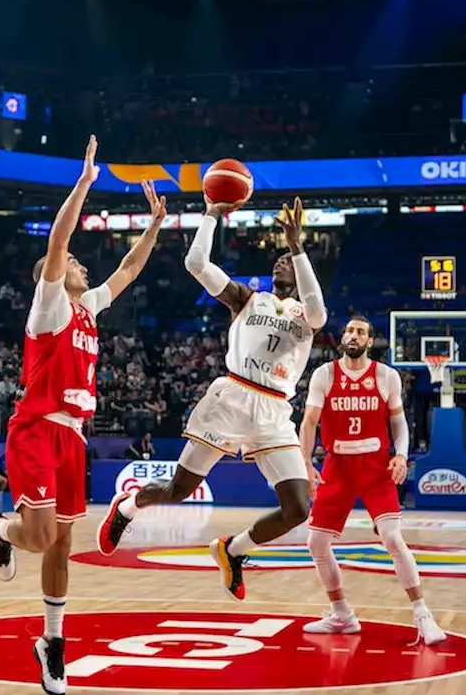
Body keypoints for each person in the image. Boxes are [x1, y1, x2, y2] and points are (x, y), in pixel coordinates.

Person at [0, 135, 167, 695]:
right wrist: (84, 183)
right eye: (74, 264)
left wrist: (155, 224)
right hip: (37, 430)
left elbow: (130, 271)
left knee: (63, 547)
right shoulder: (50, 305)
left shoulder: (88, 309)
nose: (84, 267)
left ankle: (52, 643)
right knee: (38, 538)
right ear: (55, 273)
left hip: (73, 438)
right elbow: (61, 239)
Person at [97, 195, 326, 604]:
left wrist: (297, 248)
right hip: (233, 397)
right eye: (277, 258)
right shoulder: (247, 298)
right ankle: (128, 506)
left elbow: (319, 313)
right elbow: (196, 264)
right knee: (177, 491)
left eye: (287, 260)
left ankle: (232, 551)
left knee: (298, 509)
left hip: (274, 410)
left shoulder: (306, 314)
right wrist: (210, 215)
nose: (279, 262)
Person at [298, 315, 446, 644]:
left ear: (369, 341)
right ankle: (341, 614)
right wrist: (305, 462)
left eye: (361, 332)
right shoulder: (324, 374)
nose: (354, 335)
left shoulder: (385, 375)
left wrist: (402, 455)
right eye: (350, 330)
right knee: (316, 543)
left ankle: (422, 614)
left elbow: (399, 422)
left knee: (392, 537)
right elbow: (309, 422)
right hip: (337, 465)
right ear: (343, 337)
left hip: (375, 465)